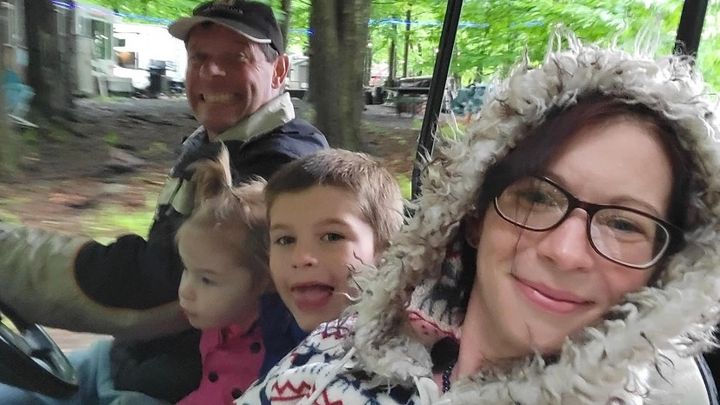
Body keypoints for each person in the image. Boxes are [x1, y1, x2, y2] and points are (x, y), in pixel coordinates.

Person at [237, 34, 720, 404]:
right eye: (537, 197)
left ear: (668, 269)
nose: (565, 251)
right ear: (473, 214)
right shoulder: (350, 336)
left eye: (624, 224)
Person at [0, 0, 326, 403]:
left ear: (279, 70)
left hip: (180, 385)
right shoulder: (214, 142)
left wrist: (11, 261)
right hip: (131, 360)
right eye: (199, 58)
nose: (212, 71)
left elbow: (162, 286)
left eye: (236, 57)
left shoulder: (282, 169)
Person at [175, 147, 275, 404]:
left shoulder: (273, 350)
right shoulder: (221, 320)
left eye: (206, 279)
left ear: (264, 280)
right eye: (187, 270)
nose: (185, 290)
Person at [264, 149, 404, 332]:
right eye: (285, 240)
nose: (300, 258)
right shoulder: (269, 328)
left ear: (387, 250)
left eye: (332, 237)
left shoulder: (407, 344)